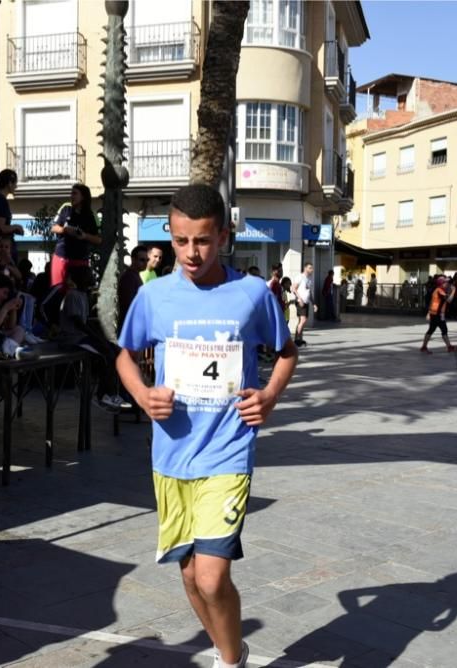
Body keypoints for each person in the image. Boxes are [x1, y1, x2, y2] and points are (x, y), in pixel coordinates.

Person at [116, 184, 298, 668]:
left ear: (222, 236)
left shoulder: (252, 294)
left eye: (201, 241)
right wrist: (141, 394)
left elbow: (286, 353)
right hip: (170, 455)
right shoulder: (155, 296)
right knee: (191, 575)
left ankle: (230, 660)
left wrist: (270, 396)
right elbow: (125, 356)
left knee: (213, 577)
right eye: (179, 241)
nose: (190, 253)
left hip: (228, 452)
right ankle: (228, 652)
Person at [56, 266, 125, 412]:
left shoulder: (83, 295)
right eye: (88, 274)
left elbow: (86, 322)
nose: (92, 276)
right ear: (79, 279)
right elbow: (79, 323)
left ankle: (111, 392)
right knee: (106, 353)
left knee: (115, 351)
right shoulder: (73, 295)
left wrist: (101, 337)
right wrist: (97, 338)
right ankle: (102, 395)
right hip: (72, 339)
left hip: (81, 337)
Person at [50, 183, 101, 287]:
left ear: (83, 197)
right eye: (71, 193)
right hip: (61, 256)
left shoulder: (92, 215)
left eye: (75, 193)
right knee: (58, 289)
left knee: (78, 290)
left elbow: (99, 239)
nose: (71, 196)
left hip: (80, 261)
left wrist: (84, 236)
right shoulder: (66, 208)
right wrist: (65, 230)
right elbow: (53, 227)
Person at [420, 275, 457, 354]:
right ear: (441, 283)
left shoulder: (438, 290)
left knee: (434, 330)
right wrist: (453, 291)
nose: (447, 284)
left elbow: (432, 302)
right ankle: (449, 347)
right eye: (445, 282)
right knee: (442, 330)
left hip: (435, 314)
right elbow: (449, 300)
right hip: (437, 314)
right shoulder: (440, 291)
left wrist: (429, 312)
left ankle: (424, 347)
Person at [118, 245, 148, 331]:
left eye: (147, 260)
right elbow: (129, 305)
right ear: (133, 259)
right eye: (142, 260)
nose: (145, 263)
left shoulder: (135, 275)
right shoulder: (129, 277)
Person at [292, 262, 315, 345]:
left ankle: (299, 338)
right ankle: (297, 339)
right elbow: (293, 288)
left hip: (306, 302)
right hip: (300, 302)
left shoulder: (309, 279)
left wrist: (314, 303)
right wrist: (299, 299)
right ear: (305, 268)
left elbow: (309, 292)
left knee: (301, 321)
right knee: (303, 320)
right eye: (310, 268)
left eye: (312, 268)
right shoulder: (300, 277)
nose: (311, 270)